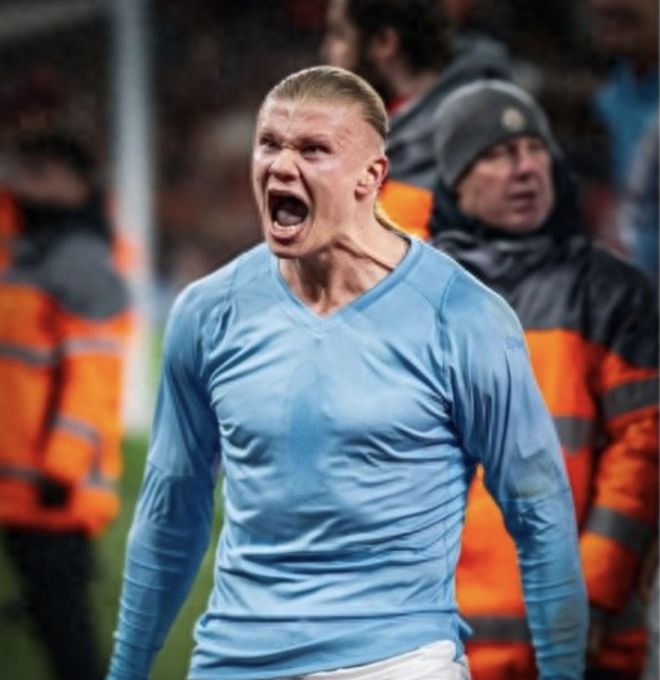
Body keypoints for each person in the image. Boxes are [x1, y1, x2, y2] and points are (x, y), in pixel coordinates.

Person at [107, 66, 587, 680]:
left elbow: (540, 512)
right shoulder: (208, 313)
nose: (281, 167)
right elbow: (171, 510)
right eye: (269, 144)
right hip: (234, 661)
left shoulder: (463, 317)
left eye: (313, 150)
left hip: (399, 662)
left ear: (372, 176)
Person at [429, 80, 659, 680]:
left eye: (535, 150)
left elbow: (643, 451)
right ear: (456, 180)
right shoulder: (410, 300)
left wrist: (591, 598)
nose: (525, 168)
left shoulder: (613, 292)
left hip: (585, 647)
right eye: (499, 154)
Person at [0, 132, 131, 680]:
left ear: (77, 186)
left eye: (42, 174)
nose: (25, 185)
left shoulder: (77, 261)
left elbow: (94, 377)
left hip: (50, 488)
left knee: (66, 633)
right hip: (22, 481)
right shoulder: (27, 250)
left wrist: (62, 467)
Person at [321, 0, 512, 238]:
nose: (326, 51)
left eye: (339, 35)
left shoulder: (473, 143)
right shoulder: (381, 124)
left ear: (384, 42)